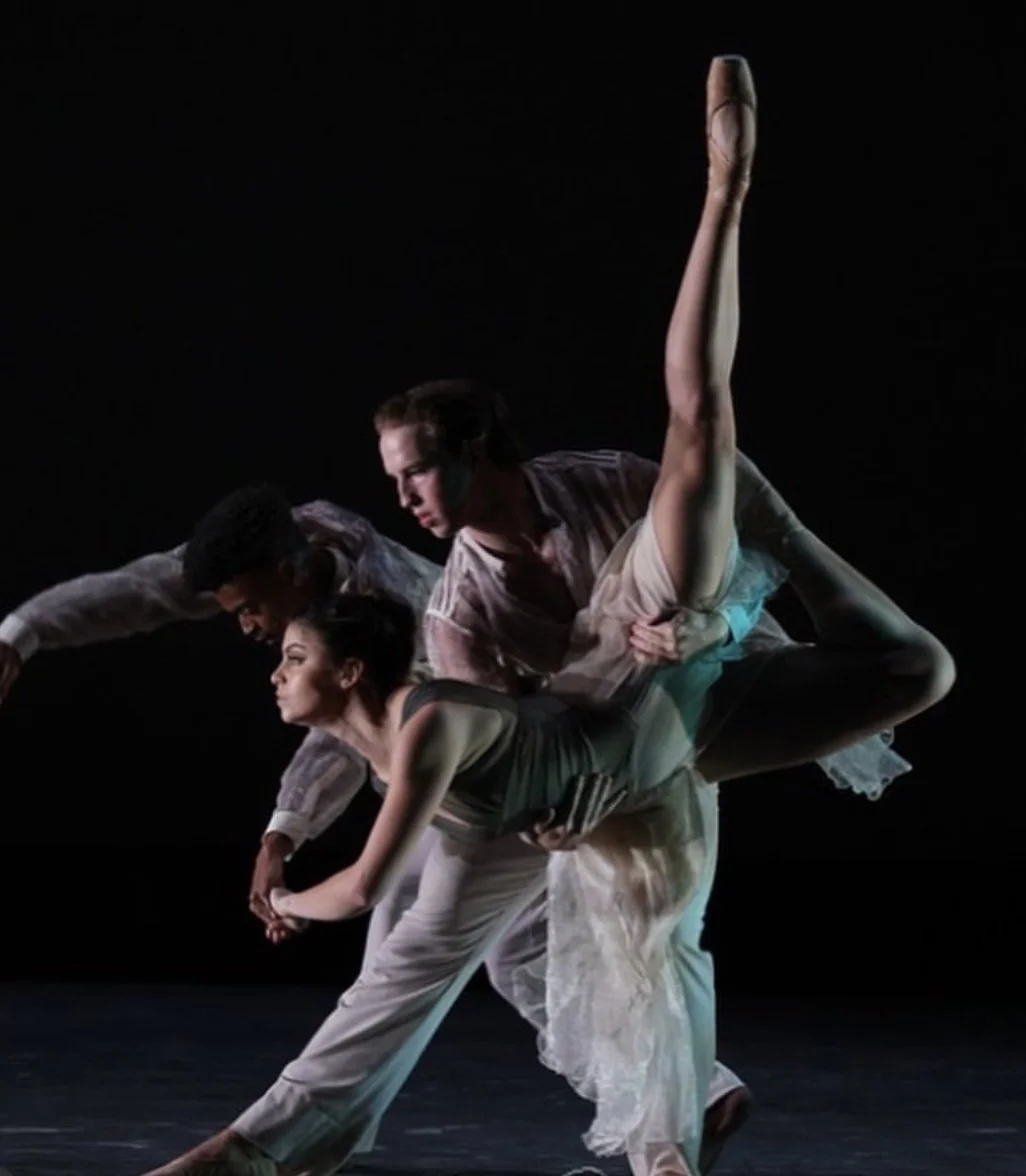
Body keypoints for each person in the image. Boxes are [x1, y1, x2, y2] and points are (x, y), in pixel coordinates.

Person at [140, 55, 953, 1176]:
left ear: (476, 450)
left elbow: (714, 547)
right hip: (586, 769)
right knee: (446, 947)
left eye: (418, 471)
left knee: (902, 669)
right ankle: (271, 1144)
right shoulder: (459, 613)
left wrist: (714, 631)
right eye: (393, 481)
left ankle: (682, 1119)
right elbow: (492, 741)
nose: (406, 498)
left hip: (700, 703)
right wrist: (542, 824)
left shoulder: (606, 486)